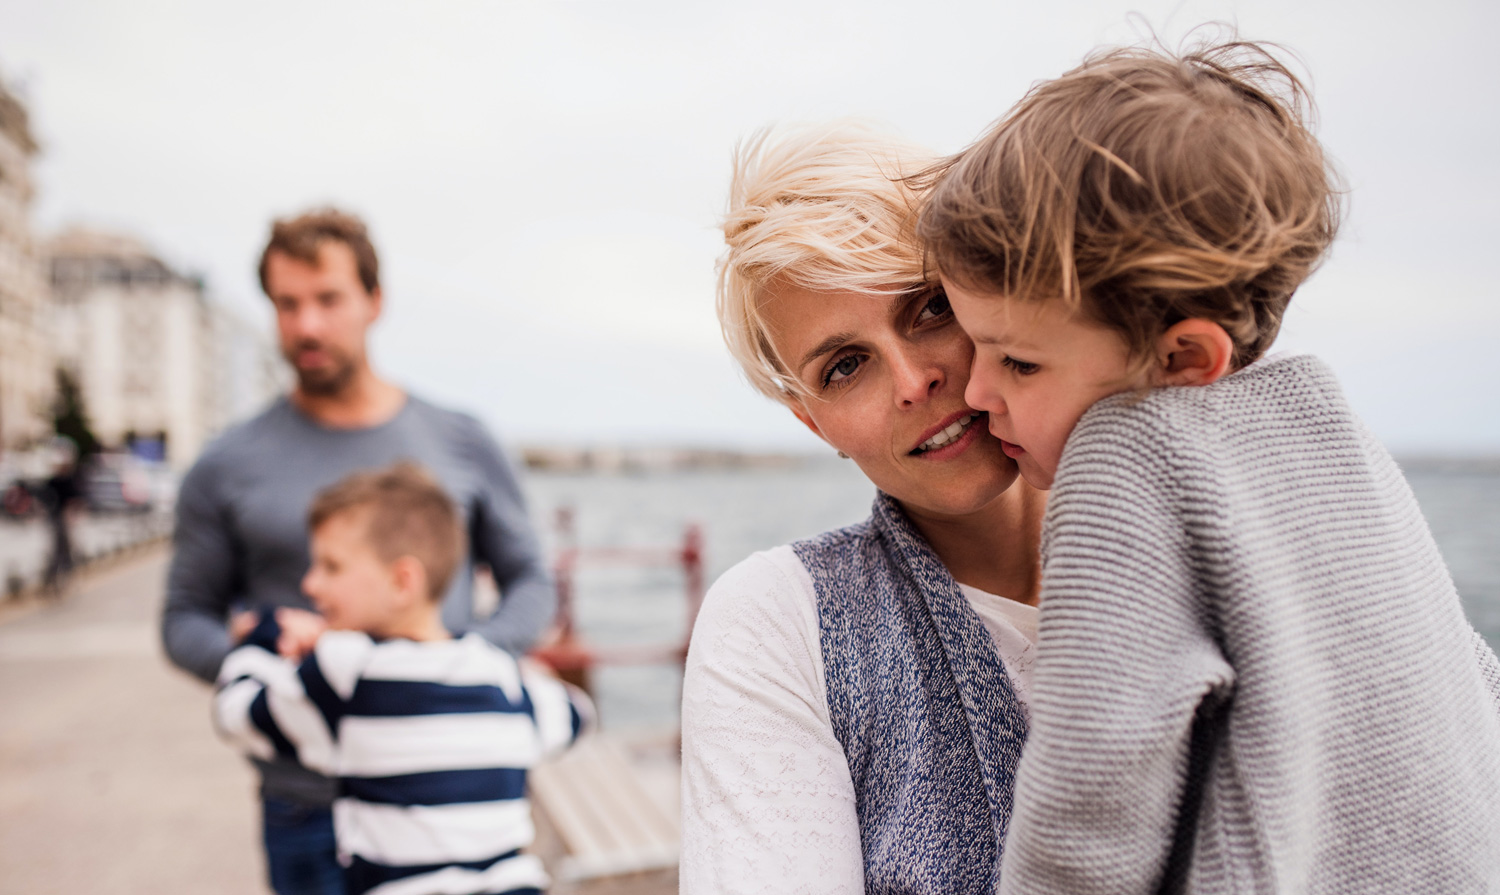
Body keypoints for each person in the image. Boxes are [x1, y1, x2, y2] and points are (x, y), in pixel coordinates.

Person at [918, 36, 1500, 894]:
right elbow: (1471, 676)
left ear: (1186, 358)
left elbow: (1092, 796)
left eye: (1019, 362)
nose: (976, 389)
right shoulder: (1335, 434)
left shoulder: (1123, 455)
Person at [680, 122, 1047, 894]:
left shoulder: (1213, 529)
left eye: (931, 308)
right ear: (812, 422)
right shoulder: (782, 620)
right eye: (846, 366)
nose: (913, 380)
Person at [162, 208, 555, 895]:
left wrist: (446, 674)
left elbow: (529, 580)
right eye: (286, 304)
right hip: (304, 802)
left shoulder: (460, 440)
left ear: (374, 300)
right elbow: (185, 618)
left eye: (327, 299)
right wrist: (273, 660)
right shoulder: (224, 464)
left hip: (446, 796)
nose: (307, 325)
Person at [213, 463, 589, 895]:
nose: (310, 584)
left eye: (330, 567)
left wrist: (262, 638)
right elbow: (576, 715)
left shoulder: (343, 673)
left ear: (402, 581)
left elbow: (236, 715)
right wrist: (532, 680)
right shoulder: (498, 672)